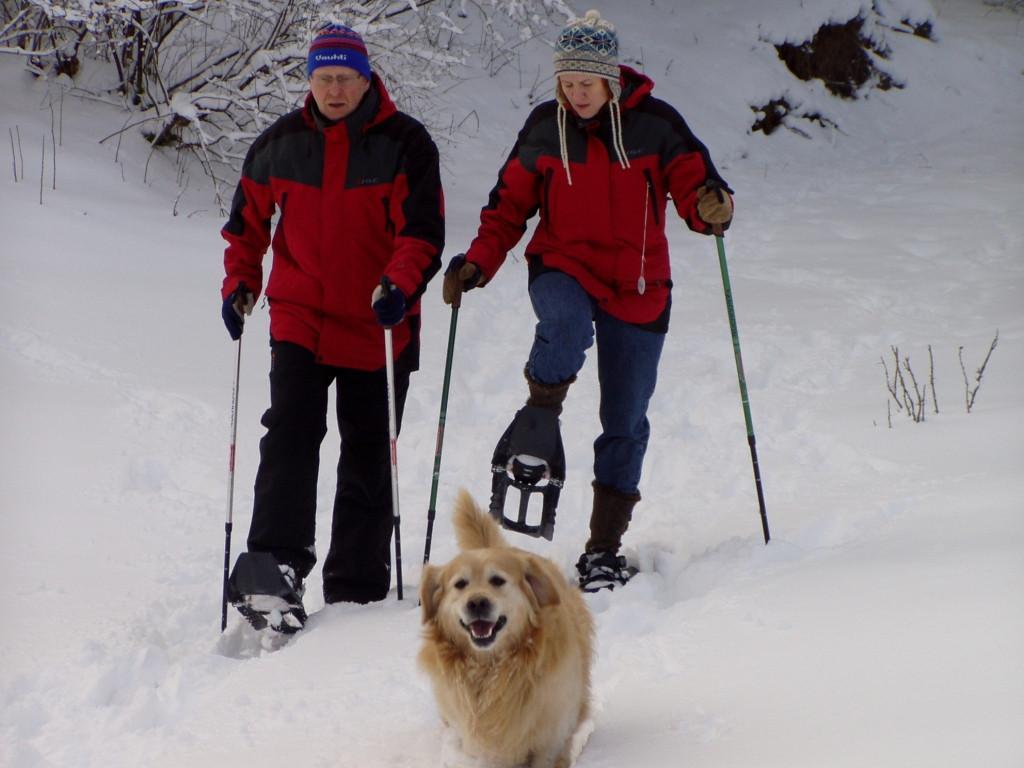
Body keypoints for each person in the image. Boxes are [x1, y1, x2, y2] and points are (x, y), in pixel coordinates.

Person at [442, 10, 733, 592]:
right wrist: (477, 262)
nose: (576, 95)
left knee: (624, 421)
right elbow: (507, 207)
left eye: (587, 84)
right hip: (563, 265)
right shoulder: (545, 129)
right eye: (568, 83)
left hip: (640, 287)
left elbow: (695, 188)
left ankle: (603, 551)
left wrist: (708, 208)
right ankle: (539, 418)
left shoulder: (656, 126)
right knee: (565, 322)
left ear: (610, 82)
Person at [220, 23, 444, 630]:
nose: (336, 89)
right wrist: (241, 282)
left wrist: (399, 284)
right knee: (290, 431)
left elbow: (422, 233)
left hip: (379, 322)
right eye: (325, 78)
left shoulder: (405, 144)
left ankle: (357, 586)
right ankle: (276, 565)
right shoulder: (280, 145)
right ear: (310, 80)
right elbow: (247, 227)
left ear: (367, 79)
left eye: (346, 77)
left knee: (368, 451)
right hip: (300, 317)